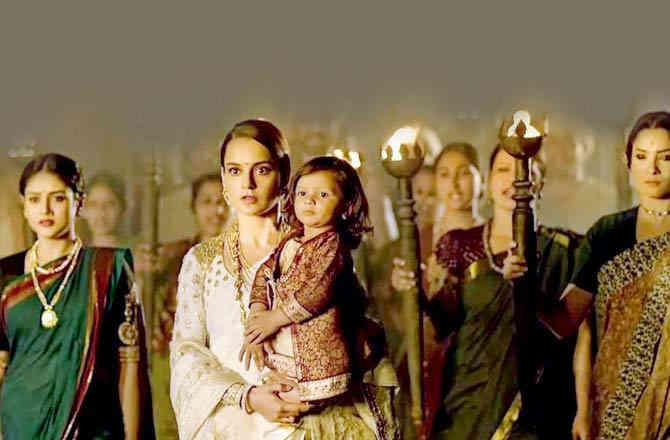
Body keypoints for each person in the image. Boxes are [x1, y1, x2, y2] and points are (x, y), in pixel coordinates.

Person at [169, 119, 398, 439]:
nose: (248, 184)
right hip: (236, 423)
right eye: (235, 171)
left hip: (317, 422)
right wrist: (249, 397)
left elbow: (362, 332)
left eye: (261, 170)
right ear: (223, 177)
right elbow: (187, 353)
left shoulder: (319, 249)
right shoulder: (202, 261)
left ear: (284, 174)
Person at [393, 145, 582, 439]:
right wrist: (413, 290)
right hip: (466, 396)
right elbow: (442, 324)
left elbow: (573, 329)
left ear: (540, 183)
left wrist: (525, 289)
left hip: (535, 402)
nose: (514, 179)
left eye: (524, 169)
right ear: (489, 180)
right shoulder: (459, 244)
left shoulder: (564, 250)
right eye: (503, 170)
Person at [0, 153, 154, 439]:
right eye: (34, 199)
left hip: (93, 428)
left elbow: (129, 363)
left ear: (78, 203)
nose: (45, 209)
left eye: (58, 198)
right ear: (24, 206)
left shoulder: (107, 269)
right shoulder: (5, 276)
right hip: (21, 425)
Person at [570, 111, 670, 440]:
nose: (652, 169)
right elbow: (575, 322)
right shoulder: (607, 233)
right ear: (627, 162)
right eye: (641, 157)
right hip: (613, 403)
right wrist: (583, 411)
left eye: (666, 158)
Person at [242, 156, 372, 404]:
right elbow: (264, 273)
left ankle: (314, 393)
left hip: (317, 339)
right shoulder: (290, 241)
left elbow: (316, 292)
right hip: (285, 335)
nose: (310, 200)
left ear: (346, 205)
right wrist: (258, 314)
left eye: (323, 195)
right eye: (302, 193)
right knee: (275, 374)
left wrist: (275, 318)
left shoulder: (332, 247)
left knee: (308, 384)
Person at [148, 172, 228, 440]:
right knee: (168, 425)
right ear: (193, 207)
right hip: (172, 352)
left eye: (222, 201)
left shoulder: (243, 254)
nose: (215, 211)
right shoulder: (173, 255)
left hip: (221, 357)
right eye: (206, 202)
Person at [82, 172, 133, 248]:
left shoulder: (137, 252)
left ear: (122, 208)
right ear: (84, 210)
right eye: (93, 205)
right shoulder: (73, 252)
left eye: (109, 204)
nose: (101, 213)